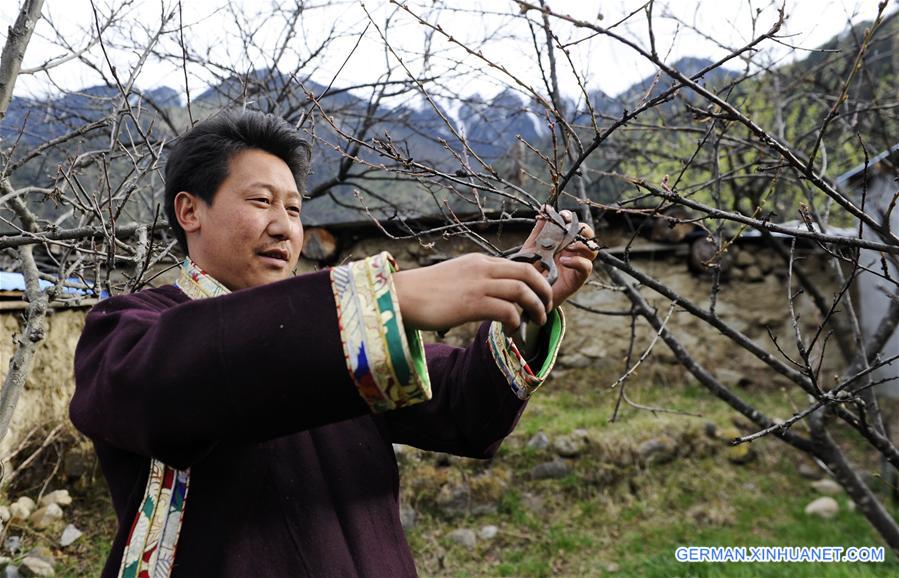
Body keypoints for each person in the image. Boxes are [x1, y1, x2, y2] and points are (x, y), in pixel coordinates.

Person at [70, 109, 596, 578]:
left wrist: (530, 301)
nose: (284, 227)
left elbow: (465, 405)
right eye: (261, 201)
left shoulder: (349, 334)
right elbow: (164, 387)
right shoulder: (128, 326)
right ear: (190, 212)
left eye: (295, 210)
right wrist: (389, 297)